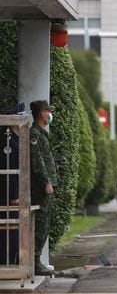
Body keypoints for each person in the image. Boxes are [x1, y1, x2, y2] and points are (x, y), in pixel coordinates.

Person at [29, 100, 59, 276]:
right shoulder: (34, 134)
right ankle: (34, 261)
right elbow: (37, 161)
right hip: (40, 188)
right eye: (48, 111)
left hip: (46, 186)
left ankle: (37, 261)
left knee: (45, 224)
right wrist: (46, 182)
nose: (50, 114)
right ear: (42, 113)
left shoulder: (41, 133)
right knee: (41, 225)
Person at [0, 103, 24, 266]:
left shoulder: (16, 139)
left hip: (14, 197)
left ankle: (10, 264)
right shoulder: (8, 141)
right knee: (9, 236)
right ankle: (6, 265)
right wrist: (14, 195)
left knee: (14, 235)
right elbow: (9, 173)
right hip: (8, 198)